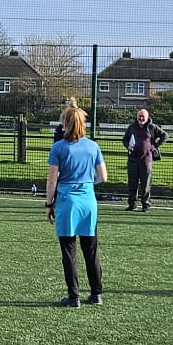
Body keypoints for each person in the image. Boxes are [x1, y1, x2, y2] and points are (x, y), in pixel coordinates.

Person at [46, 102, 107, 307]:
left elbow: (52, 180)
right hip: (88, 201)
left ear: (65, 123)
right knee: (91, 250)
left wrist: (48, 204)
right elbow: (103, 177)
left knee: (69, 251)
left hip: (68, 202)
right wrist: (87, 183)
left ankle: (74, 297)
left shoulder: (59, 147)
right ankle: (96, 294)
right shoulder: (93, 146)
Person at [121, 107, 165, 212]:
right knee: (132, 183)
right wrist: (128, 146)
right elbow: (124, 139)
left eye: (143, 116)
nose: (141, 118)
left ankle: (146, 204)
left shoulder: (152, 127)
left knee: (145, 183)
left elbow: (164, 135)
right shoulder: (131, 127)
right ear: (137, 117)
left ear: (147, 117)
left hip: (146, 160)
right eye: (139, 116)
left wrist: (154, 146)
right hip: (132, 159)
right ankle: (132, 204)